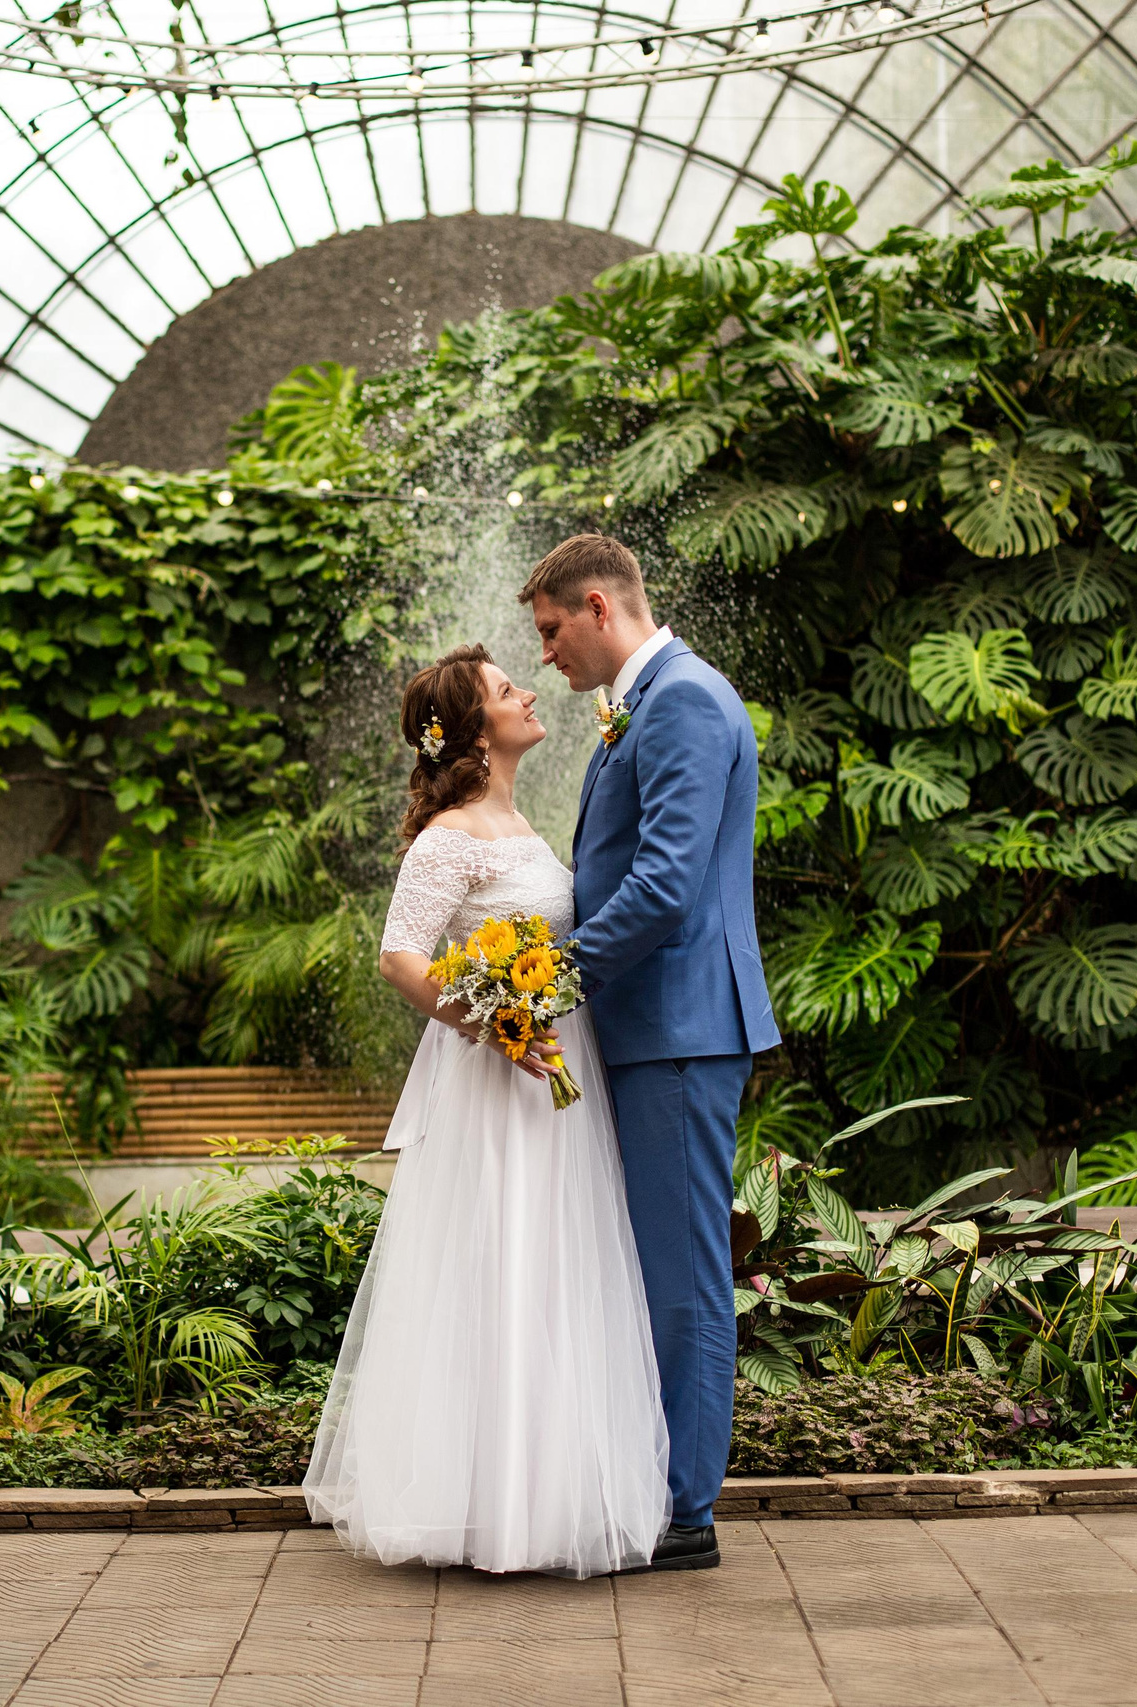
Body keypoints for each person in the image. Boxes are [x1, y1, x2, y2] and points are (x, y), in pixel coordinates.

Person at [301, 642, 671, 1578]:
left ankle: (542, 1499)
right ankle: (485, 1510)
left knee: (553, 1272)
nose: (530, 692)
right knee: (501, 1266)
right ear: (474, 732)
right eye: (509, 690)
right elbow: (399, 955)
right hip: (498, 1085)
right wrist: (494, 1024)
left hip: (554, 1076)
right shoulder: (450, 836)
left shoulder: (519, 822)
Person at [524, 532, 779, 1573]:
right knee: (657, 1268)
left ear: (597, 605)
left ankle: (686, 1511)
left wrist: (550, 980)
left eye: (551, 630)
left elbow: (666, 885)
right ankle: (661, 1487)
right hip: (652, 1030)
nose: (545, 653)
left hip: (678, 1027)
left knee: (682, 1276)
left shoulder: (681, 701)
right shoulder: (647, 701)